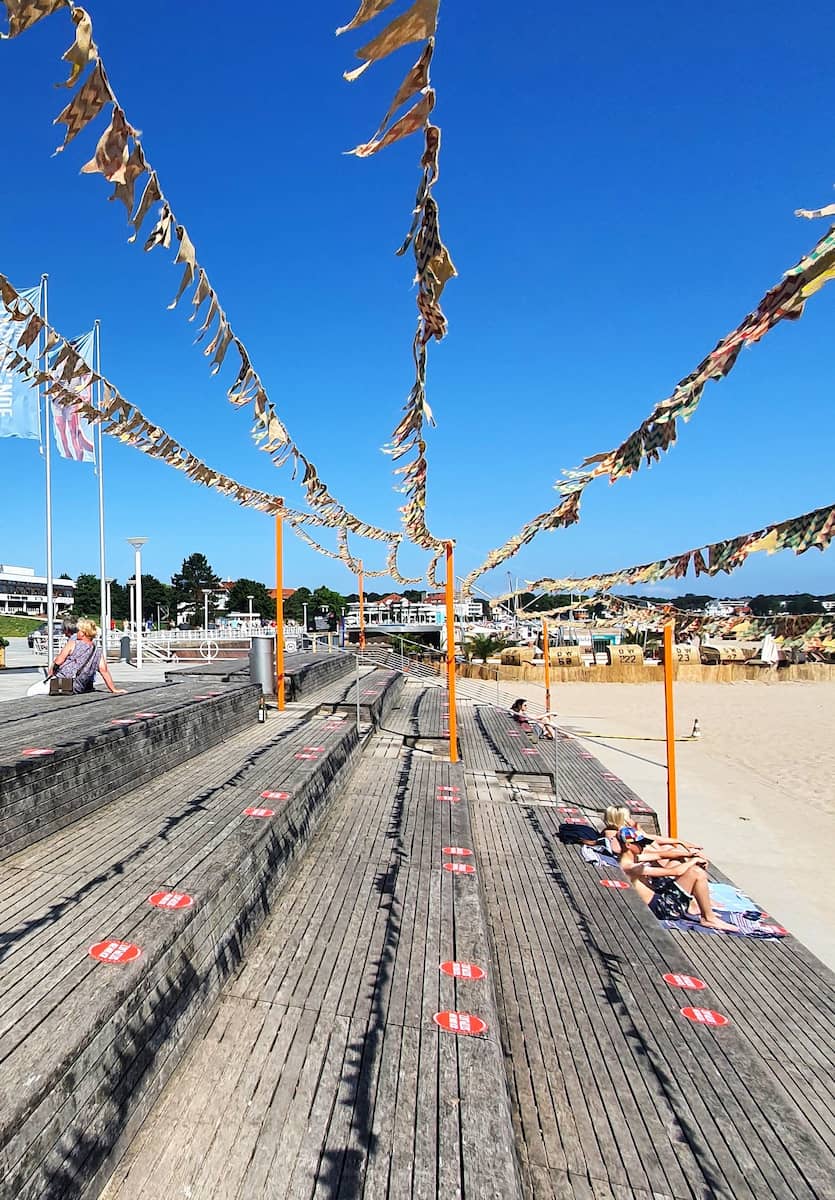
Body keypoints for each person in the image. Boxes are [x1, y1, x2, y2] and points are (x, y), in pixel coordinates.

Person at [616, 826, 735, 932]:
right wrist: (694, 861)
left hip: (659, 896)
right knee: (696, 872)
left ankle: (695, 905)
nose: (644, 846)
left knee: (677, 860)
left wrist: (690, 854)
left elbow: (661, 855)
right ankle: (708, 918)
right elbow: (675, 872)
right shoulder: (630, 867)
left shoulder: (633, 858)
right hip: (661, 908)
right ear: (628, 845)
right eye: (640, 844)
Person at [51, 618, 125, 695]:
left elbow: (58, 661)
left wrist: (51, 672)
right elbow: (104, 671)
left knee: (39, 688)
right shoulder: (97, 651)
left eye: (78, 631)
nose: (76, 633)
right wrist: (113, 689)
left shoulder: (73, 643)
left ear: (83, 633)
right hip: (79, 687)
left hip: (63, 684)